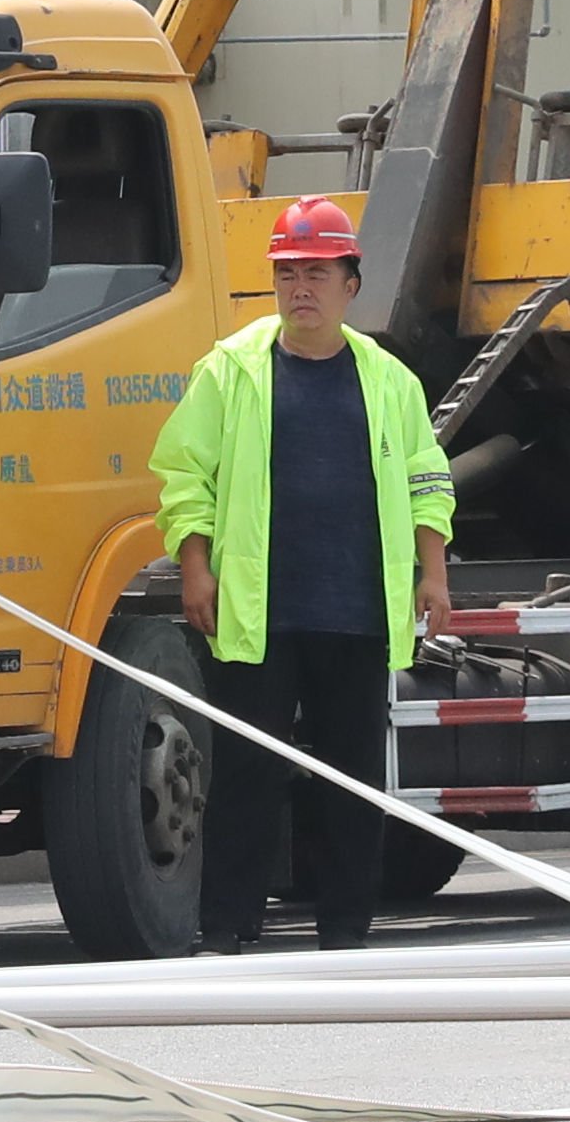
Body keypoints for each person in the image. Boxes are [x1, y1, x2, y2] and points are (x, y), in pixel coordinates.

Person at [143, 194, 456, 953]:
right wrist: (195, 569)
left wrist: (433, 574)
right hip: (260, 613)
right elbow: (186, 475)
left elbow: (427, 479)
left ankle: (346, 928)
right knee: (248, 776)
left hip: (358, 609)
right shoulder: (232, 371)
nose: (300, 289)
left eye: (317, 272)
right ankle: (227, 927)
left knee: (353, 781)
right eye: (287, 273)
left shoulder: (389, 382)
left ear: (352, 283)